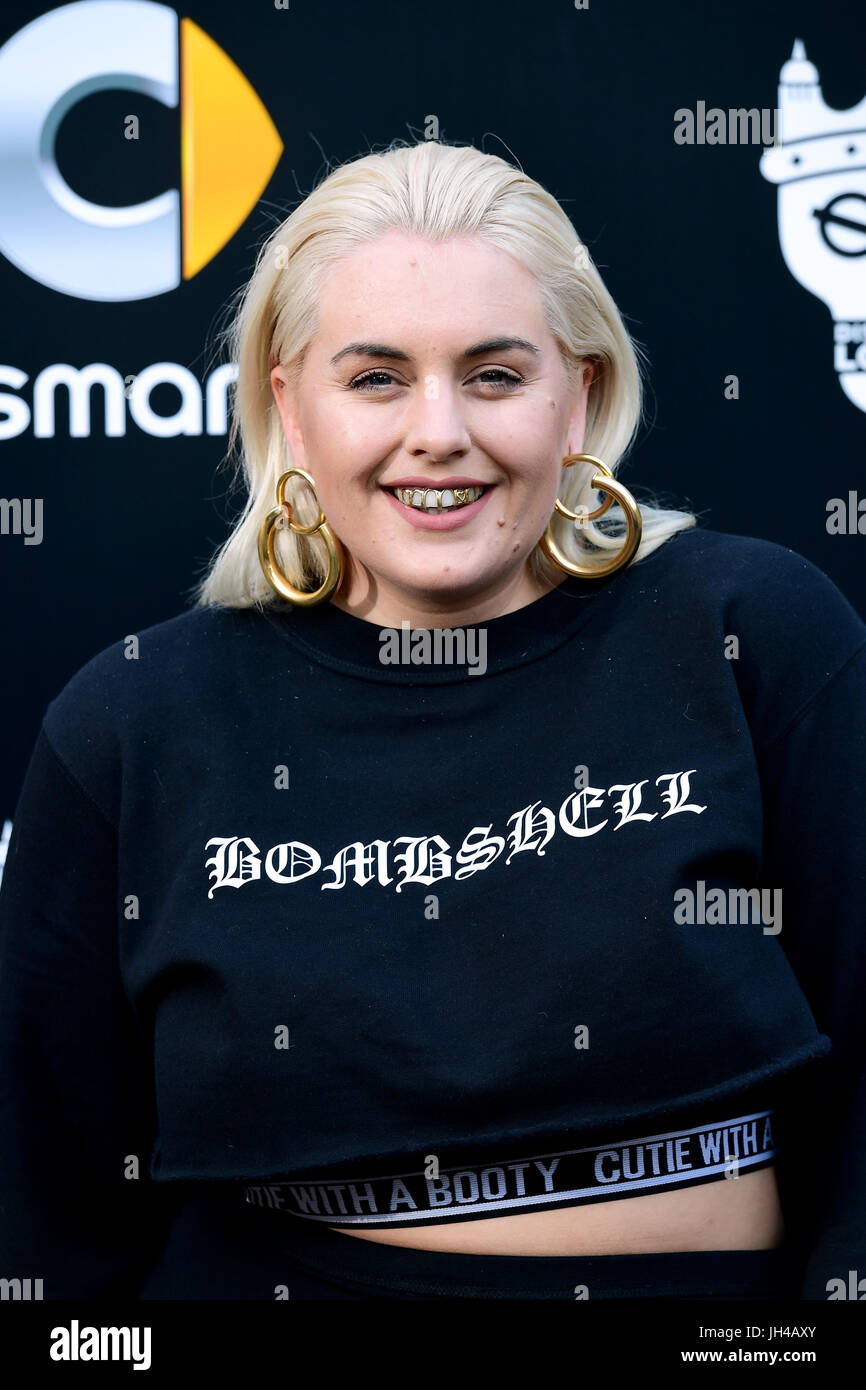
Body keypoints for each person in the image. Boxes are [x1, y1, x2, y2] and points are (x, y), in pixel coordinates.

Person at [1, 139, 864, 1302]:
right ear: (290, 410)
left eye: (495, 375)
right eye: (375, 378)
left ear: (581, 397)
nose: (438, 431)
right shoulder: (132, 720)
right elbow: (49, 1216)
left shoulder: (752, 632)